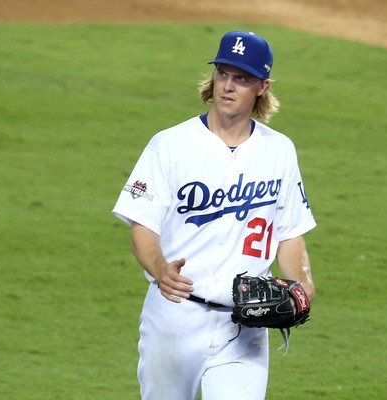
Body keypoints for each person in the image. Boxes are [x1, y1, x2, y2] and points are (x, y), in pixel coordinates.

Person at [112, 31, 316, 400]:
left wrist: (303, 283)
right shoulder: (170, 145)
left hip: (244, 327)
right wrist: (160, 268)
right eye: (223, 74)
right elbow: (142, 225)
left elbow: (290, 233)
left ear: (262, 87)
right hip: (174, 316)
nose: (228, 86)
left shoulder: (279, 151)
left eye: (242, 78)